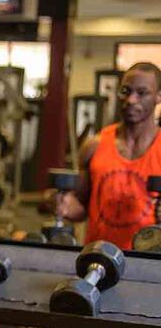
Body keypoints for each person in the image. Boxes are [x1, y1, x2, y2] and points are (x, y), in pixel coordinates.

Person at [54, 62, 161, 249]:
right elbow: (82, 208)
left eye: (142, 93)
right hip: (98, 257)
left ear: (158, 96)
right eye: (126, 91)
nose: (131, 100)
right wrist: (62, 205)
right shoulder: (94, 146)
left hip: (148, 261)